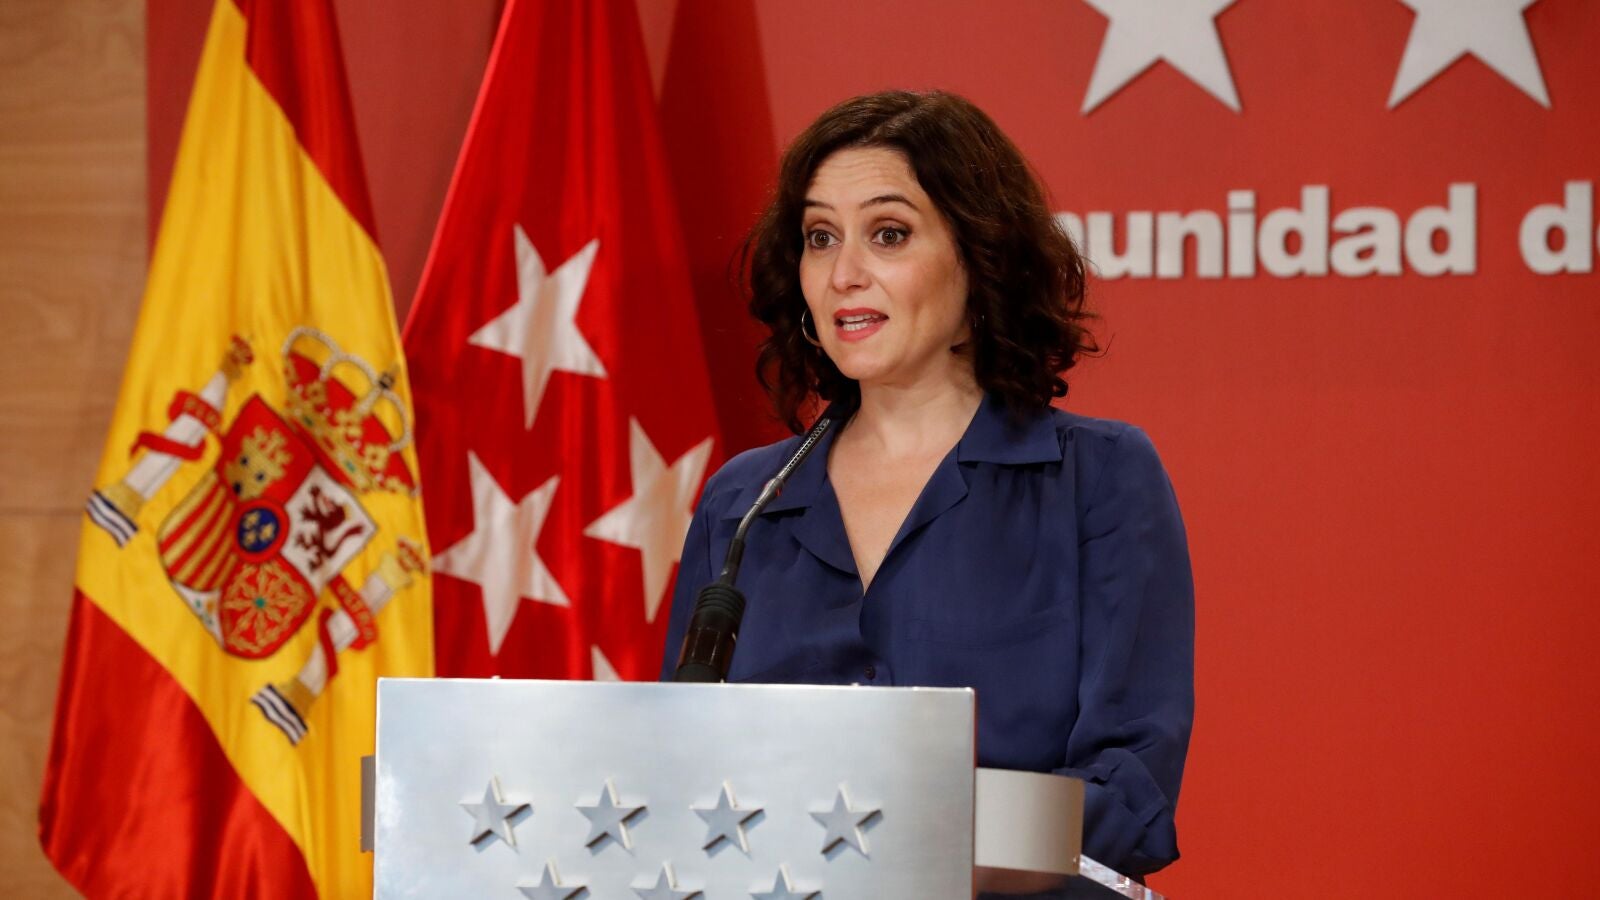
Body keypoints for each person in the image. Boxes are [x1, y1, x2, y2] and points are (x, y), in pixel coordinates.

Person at [660, 90, 1194, 886]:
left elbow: (1131, 789)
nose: (844, 274)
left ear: (980, 261)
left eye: (889, 234)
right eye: (819, 238)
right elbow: (680, 774)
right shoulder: (746, 503)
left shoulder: (1098, 477)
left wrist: (902, 836)